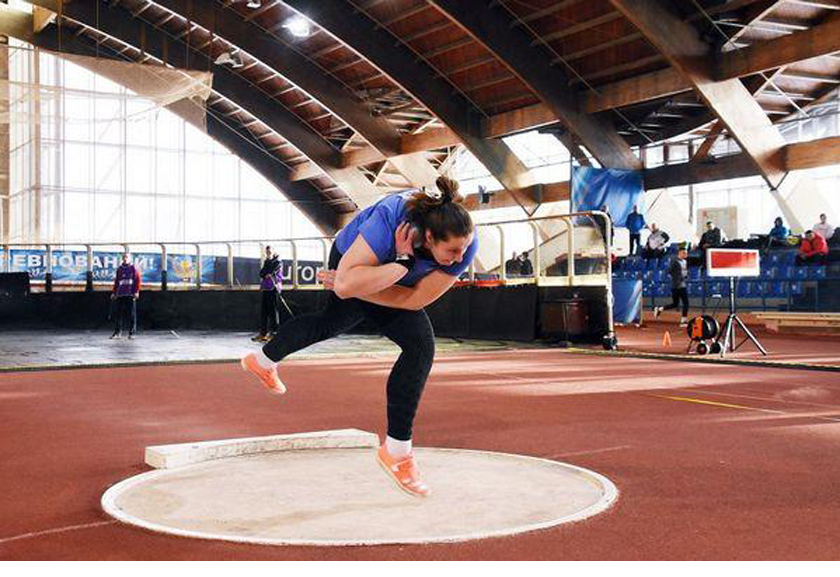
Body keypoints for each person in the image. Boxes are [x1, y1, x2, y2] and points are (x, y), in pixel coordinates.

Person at [240, 176, 477, 498]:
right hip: (352, 257)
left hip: (385, 276)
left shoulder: (462, 244)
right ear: (430, 236)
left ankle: (261, 359)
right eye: (451, 250)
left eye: (463, 249)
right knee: (419, 344)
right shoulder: (388, 222)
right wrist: (400, 264)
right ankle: (397, 452)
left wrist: (363, 285)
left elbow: (414, 300)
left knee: (332, 322)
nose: (459, 258)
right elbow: (346, 283)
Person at [252, 246, 283, 343]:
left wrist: (268, 272)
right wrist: (266, 273)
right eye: (267, 252)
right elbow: (262, 273)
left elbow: (271, 271)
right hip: (266, 288)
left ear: (274, 252)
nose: (268, 253)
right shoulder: (267, 261)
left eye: (269, 252)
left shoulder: (278, 262)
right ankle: (263, 333)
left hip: (273, 288)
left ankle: (274, 333)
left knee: (273, 312)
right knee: (264, 312)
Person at [653, 247, 689, 327]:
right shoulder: (674, 262)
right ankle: (683, 321)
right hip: (676, 285)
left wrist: (685, 276)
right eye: (684, 253)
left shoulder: (685, 262)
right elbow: (669, 271)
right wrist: (677, 278)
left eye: (686, 253)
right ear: (679, 253)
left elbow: (685, 272)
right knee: (679, 303)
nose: (686, 254)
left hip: (682, 284)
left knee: (679, 303)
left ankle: (660, 309)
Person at [111, 252, 141, 339]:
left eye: (126, 257)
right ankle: (117, 332)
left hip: (130, 294)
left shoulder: (133, 268)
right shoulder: (119, 269)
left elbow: (137, 280)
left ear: (130, 258)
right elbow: (117, 281)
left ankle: (132, 333)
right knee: (118, 314)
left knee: (131, 314)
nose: (125, 258)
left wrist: (136, 291)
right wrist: (114, 292)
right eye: (123, 257)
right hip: (120, 294)